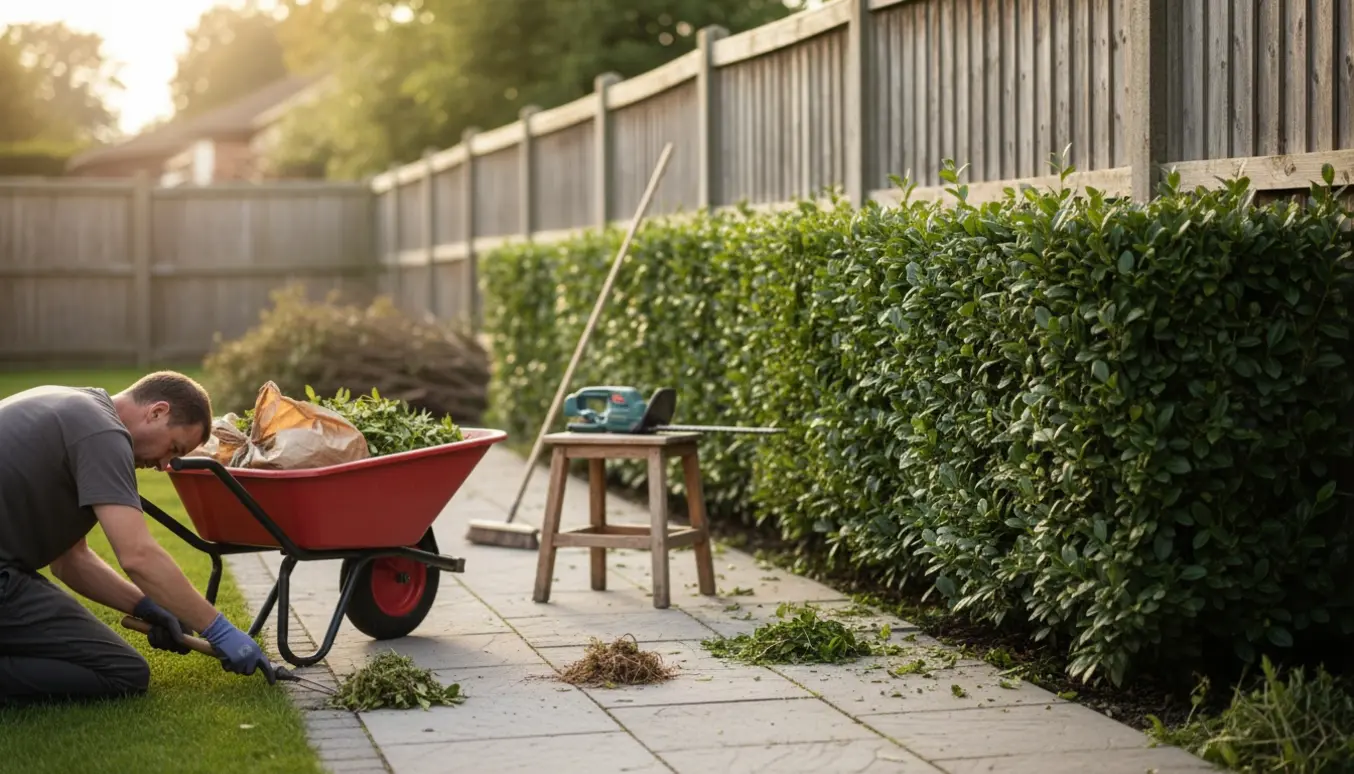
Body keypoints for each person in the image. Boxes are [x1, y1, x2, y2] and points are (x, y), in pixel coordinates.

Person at [0, 370, 276, 704]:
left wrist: (148, 606)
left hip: (10, 572)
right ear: (157, 411)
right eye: (173, 448)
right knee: (121, 671)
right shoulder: (102, 433)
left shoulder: (75, 406)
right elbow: (138, 556)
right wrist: (218, 629)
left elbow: (71, 561)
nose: (164, 466)